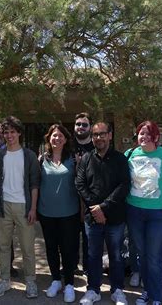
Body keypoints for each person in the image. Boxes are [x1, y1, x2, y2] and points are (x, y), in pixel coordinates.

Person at [125, 120, 162, 305]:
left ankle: (157, 297)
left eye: (148, 133)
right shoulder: (130, 154)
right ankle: (147, 292)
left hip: (159, 214)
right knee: (141, 254)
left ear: (156, 137)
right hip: (134, 211)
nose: (143, 137)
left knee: (155, 256)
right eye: (141, 133)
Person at [75, 121, 131, 305]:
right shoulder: (86, 159)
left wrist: (104, 207)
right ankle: (93, 290)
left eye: (102, 134)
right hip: (92, 218)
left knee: (116, 255)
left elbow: (124, 185)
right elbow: (80, 184)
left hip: (115, 217)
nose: (98, 138)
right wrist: (95, 208)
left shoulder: (120, 159)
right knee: (93, 255)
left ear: (110, 135)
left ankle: (117, 290)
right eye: (95, 134)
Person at [0, 116, 41, 299]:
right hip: (3, 206)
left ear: (19, 133)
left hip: (24, 207)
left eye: (12, 131)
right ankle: (5, 280)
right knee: (3, 246)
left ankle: (31, 281)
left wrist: (33, 208)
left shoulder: (29, 155)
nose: (9, 135)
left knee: (27, 247)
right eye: (6, 132)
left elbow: (35, 184)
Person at [38, 124, 80, 303]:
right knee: (51, 247)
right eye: (54, 136)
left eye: (60, 136)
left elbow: (80, 185)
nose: (57, 139)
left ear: (66, 139)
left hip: (69, 212)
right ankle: (55, 280)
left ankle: (69, 283)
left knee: (68, 248)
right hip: (46, 212)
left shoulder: (73, 159)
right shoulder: (42, 159)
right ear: (49, 138)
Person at [0, 122, 18, 277]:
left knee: (6, 235)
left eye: (0, 132)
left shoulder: (11, 151)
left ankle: (8, 265)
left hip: (6, 198)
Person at [73, 112, 94, 274]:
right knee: (70, 234)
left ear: (90, 127)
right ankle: (71, 265)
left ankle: (89, 268)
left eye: (84, 124)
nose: (80, 127)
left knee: (89, 236)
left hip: (90, 197)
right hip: (70, 197)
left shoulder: (96, 146)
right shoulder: (68, 145)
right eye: (78, 124)